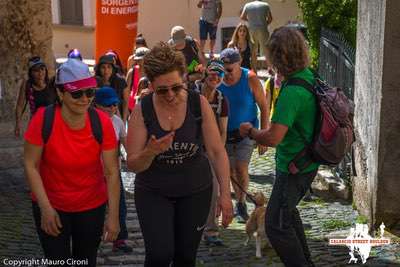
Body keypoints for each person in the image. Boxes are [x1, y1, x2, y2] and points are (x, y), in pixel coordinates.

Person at [127, 42, 233, 267]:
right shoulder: (142, 110)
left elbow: (216, 151)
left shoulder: (198, 104)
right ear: (151, 85)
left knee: (186, 257)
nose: (171, 95)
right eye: (162, 90)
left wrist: (225, 194)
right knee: (159, 256)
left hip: (195, 190)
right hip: (154, 192)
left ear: (185, 78)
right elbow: (133, 164)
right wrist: (150, 152)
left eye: (176, 87)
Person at [24, 58, 120, 266]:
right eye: (77, 93)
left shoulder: (101, 122)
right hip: (52, 205)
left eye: (90, 92)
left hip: (91, 206)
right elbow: (30, 165)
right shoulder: (43, 119)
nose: (85, 99)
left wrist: (113, 217)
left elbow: (112, 172)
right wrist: (45, 208)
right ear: (60, 93)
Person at [239, 26, 319, 267]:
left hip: (294, 167)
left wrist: (251, 131)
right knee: (289, 217)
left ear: (278, 56)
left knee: (276, 226)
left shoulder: (292, 91)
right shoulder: (308, 76)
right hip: (305, 163)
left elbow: (274, 137)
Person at [218, 48, 269, 223]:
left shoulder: (250, 78)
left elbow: (263, 106)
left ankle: (240, 203)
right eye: (223, 70)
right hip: (225, 133)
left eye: (230, 70)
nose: (227, 74)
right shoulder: (219, 80)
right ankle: (239, 201)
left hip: (247, 132)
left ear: (239, 64)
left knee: (241, 168)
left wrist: (263, 136)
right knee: (230, 170)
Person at [194, 60, 229, 246]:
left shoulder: (222, 101)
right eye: (212, 74)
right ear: (205, 75)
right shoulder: (193, 93)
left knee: (214, 190)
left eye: (219, 75)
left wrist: (217, 154)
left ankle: (211, 230)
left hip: (211, 151)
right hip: (191, 149)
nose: (215, 78)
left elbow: (223, 131)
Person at [94, 87, 133, 253]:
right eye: (108, 105)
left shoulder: (117, 121)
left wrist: (134, 157)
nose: (112, 108)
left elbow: (126, 144)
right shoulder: (91, 121)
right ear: (96, 105)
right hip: (93, 175)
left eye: (115, 104)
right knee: (95, 210)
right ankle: (91, 239)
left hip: (113, 174)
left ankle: (120, 239)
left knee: (120, 207)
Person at [15, 56, 56, 137]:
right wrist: (18, 124)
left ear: (45, 70)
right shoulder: (27, 86)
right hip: (36, 125)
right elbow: (19, 106)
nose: (40, 73)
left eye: (42, 69)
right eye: (36, 70)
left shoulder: (51, 84)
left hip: (52, 124)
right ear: (31, 73)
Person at [95, 54, 129, 123]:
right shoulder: (95, 82)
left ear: (113, 69)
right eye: (103, 67)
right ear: (99, 69)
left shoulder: (120, 81)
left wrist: (124, 120)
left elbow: (126, 102)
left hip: (117, 118)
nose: (106, 70)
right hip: (99, 118)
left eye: (109, 67)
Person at [240, 0, 273, 64]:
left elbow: (242, 16)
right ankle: (270, 68)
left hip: (252, 29)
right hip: (263, 29)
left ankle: (254, 71)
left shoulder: (247, 5)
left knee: (253, 51)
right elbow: (270, 19)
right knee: (267, 50)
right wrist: (265, 24)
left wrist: (250, 21)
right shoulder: (266, 5)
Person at [126, 47, 150, 113]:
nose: (140, 62)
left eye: (142, 59)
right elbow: (126, 92)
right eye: (138, 60)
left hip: (148, 106)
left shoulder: (152, 72)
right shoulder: (132, 72)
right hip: (133, 107)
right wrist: (126, 111)